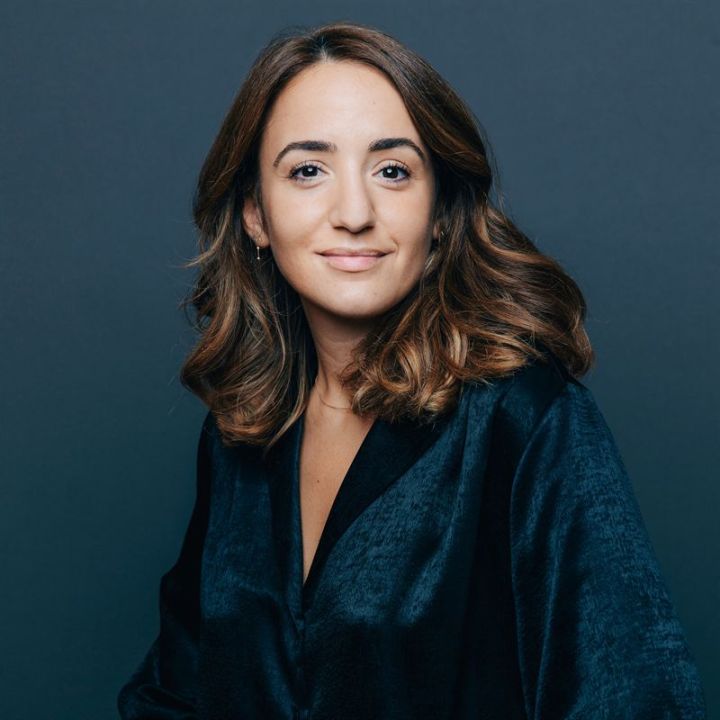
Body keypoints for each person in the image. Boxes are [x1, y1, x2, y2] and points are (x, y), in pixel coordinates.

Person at [117, 20, 708, 720]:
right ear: (255, 215)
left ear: (439, 212)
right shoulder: (242, 433)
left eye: (392, 171)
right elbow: (176, 691)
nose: (355, 213)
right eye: (308, 171)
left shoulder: (527, 421)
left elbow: (636, 698)